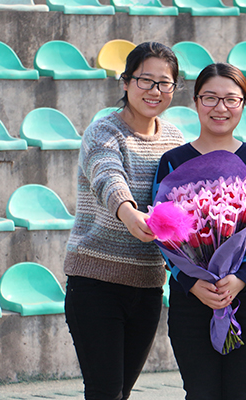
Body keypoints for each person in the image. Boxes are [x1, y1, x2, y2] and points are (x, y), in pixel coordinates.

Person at [63, 42, 184, 400]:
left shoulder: (175, 140)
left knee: (121, 393)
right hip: (95, 283)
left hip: (148, 286)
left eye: (164, 83)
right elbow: (107, 176)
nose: (154, 91)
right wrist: (130, 214)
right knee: (105, 392)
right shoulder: (102, 132)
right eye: (145, 80)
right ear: (126, 82)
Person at [154, 63, 246, 400]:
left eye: (231, 99)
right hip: (192, 300)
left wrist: (241, 278)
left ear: (243, 105)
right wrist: (191, 282)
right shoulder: (172, 161)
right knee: (200, 394)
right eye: (209, 98)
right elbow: (162, 231)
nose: (220, 108)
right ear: (196, 102)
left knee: (245, 394)